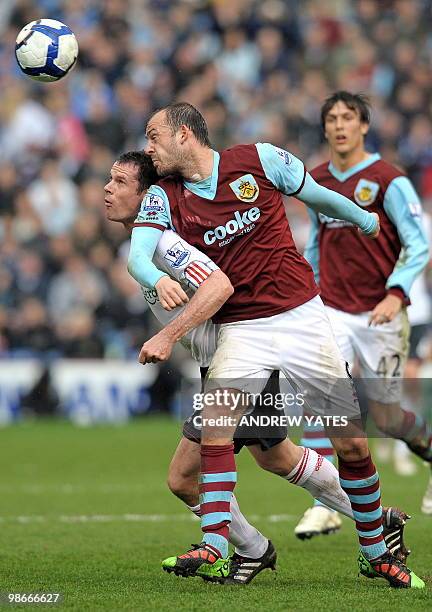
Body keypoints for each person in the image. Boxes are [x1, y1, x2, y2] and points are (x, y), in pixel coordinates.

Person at [128, 103, 424, 588]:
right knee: (218, 425)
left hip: (303, 317)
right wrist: (156, 278)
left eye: (154, 135)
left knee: (350, 442)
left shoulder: (259, 160)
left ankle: (373, 550)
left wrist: (365, 221)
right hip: (243, 328)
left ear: (184, 135)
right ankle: (215, 545)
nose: (148, 146)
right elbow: (138, 254)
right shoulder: (164, 196)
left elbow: (319, 196)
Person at [297, 91, 430, 539]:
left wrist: (396, 293)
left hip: (380, 313)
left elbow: (418, 243)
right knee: (323, 397)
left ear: (364, 126)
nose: (339, 125)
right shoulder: (313, 180)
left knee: (389, 419)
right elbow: (316, 241)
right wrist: (308, 289)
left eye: (348, 117)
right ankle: (325, 504)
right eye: (331, 117)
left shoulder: (388, 180)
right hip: (331, 308)